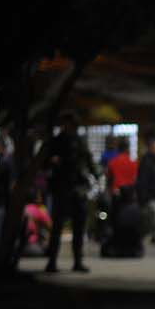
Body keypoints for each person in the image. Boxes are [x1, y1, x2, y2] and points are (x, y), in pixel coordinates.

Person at [42, 112, 95, 273]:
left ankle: (77, 260)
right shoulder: (57, 142)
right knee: (58, 226)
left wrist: (94, 174)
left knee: (78, 226)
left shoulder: (78, 142)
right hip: (62, 187)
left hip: (76, 188)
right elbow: (46, 163)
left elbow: (88, 160)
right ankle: (52, 261)